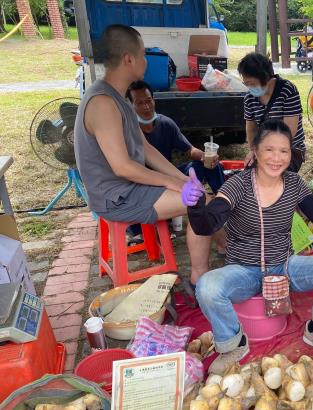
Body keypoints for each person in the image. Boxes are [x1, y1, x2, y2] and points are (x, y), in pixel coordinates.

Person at [184, 119, 313, 374]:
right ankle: (235, 345)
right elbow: (206, 225)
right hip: (243, 271)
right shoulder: (238, 185)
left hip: (285, 266)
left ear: (291, 154)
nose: (276, 158)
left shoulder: (293, 184)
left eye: (284, 151)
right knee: (208, 286)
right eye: (269, 150)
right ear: (255, 151)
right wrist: (194, 206)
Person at [74, 24, 212, 285]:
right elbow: (123, 167)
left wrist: (181, 180)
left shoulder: (120, 98)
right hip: (116, 197)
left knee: (198, 193)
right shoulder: (103, 103)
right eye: (143, 55)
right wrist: (172, 182)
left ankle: (230, 252)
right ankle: (199, 278)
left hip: (128, 188)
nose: (146, 62)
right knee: (199, 202)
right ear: (129, 59)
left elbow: (146, 149)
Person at [126, 80, 226, 194]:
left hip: (170, 176)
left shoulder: (165, 124)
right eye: (139, 103)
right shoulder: (127, 131)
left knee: (209, 165)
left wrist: (204, 156)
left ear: (154, 101)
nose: (146, 107)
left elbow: (190, 150)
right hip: (144, 184)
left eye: (149, 101)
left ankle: (224, 200)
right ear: (129, 105)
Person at [238, 53, 306, 172]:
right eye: (246, 83)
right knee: (250, 175)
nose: (249, 87)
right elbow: (251, 129)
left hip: (290, 148)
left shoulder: (287, 91)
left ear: (265, 77)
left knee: (275, 174)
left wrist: (270, 153)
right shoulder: (249, 98)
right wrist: (254, 150)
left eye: (252, 83)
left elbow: (290, 130)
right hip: (264, 148)